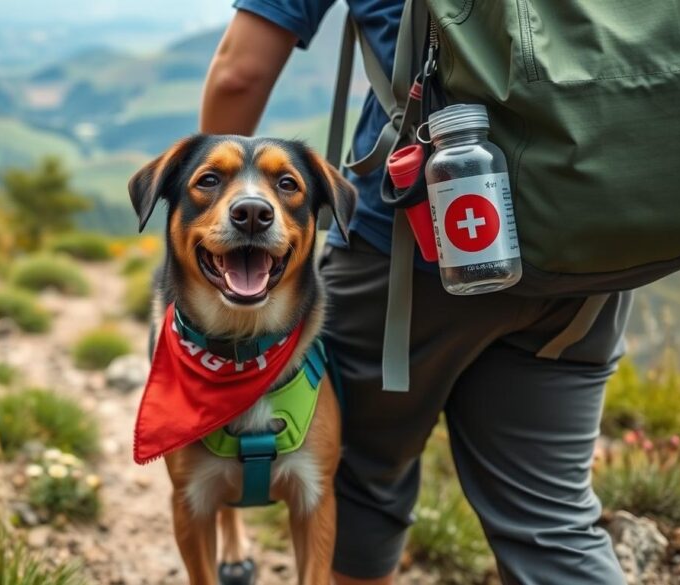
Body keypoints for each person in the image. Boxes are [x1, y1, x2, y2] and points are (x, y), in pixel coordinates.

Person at [200, 2, 632, 584]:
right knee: (552, 518)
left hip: (409, 251)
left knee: (362, 477)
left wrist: (210, 219)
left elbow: (238, 73)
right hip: (591, 251)